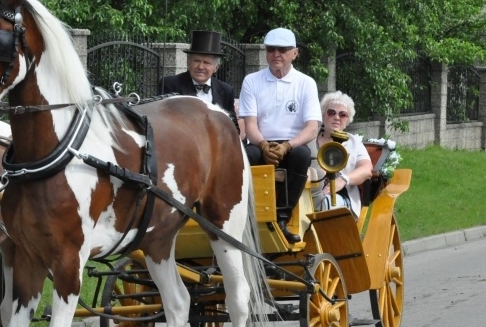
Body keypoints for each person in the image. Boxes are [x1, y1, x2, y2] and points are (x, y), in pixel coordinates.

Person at [238, 27, 321, 243]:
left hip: (293, 143)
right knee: (248, 156)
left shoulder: (306, 83)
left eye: (283, 50)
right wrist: (264, 145)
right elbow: (250, 125)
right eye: (271, 49)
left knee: (301, 156)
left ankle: (281, 218)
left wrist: (286, 146)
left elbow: (312, 127)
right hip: (261, 141)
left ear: (295, 53)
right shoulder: (252, 81)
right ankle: (246, 216)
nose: (276, 54)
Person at [159, 30, 238, 132]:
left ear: (216, 67)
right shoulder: (170, 84)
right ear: (188, 62)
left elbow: (234, 129)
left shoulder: (226, 90)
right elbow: (162, 123)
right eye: (196, 61)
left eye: (206, 63)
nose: (201, 67)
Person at [315, 91, 373, 219]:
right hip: (311, 192)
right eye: (331, 113)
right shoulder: (310, 140)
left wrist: (343, 180)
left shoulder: (354, 143)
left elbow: (367, 169)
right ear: (323, 115)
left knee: (327, 203)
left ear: (348, 120)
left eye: (343, 115)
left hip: (341, 197)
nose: (336, 117)